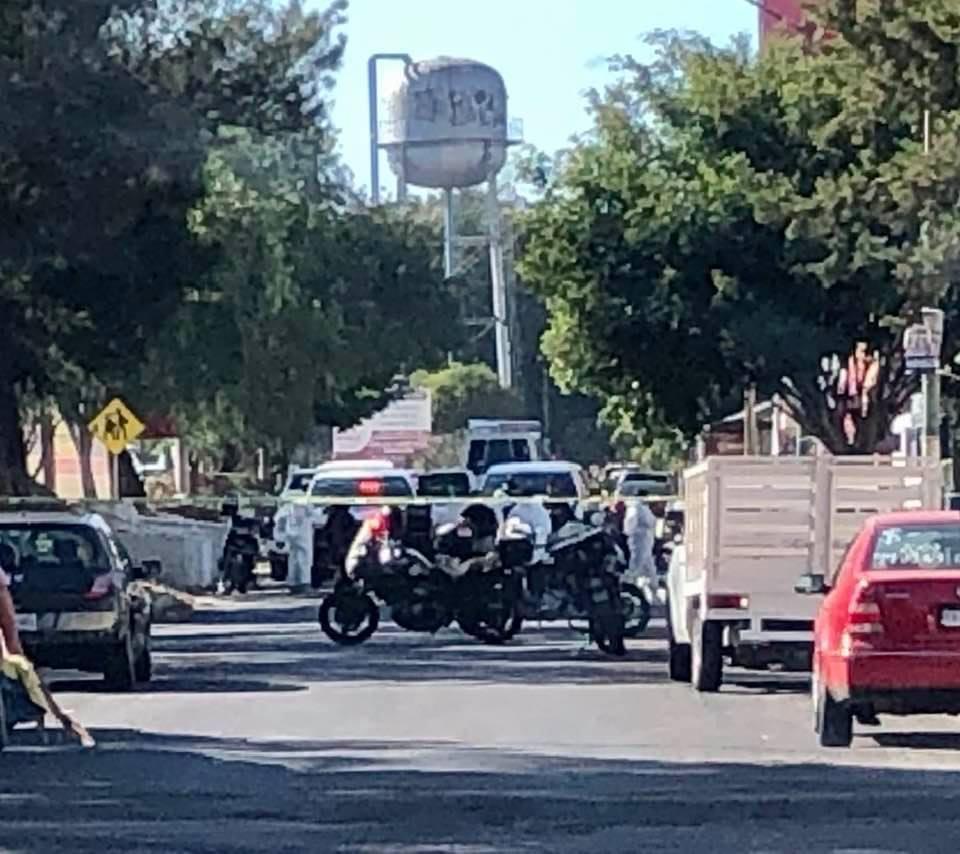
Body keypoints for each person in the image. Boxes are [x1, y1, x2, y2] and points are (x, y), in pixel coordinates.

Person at [622, 492, 657, 596]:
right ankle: (628, 585)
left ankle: (653, 587)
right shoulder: (635, 507)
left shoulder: (643, 507)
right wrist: (632, 533)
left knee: (647, 564)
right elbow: (629, 524)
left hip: (645, 538)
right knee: (637, 564)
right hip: (638, 539)